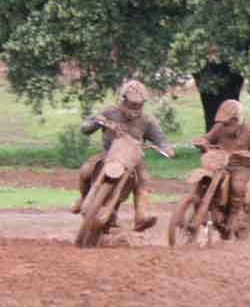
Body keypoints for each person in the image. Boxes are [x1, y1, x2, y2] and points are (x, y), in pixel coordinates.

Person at [70, 80, 175, 231]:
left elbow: (161, 140)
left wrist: (167, 149)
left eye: (138, 105)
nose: (135, 108)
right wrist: (96, 122)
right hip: (108, 155)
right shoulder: (109, 112)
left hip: (133, 160)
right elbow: (86, 128)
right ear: (123, 99)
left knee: (143, 181)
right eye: (132, 104)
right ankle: (83, 198)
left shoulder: (147, 121)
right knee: (86, 170)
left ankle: (141, 216)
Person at [191, 100, 250, 229]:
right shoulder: (219, 128)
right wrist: (202, 142)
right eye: (225, 122)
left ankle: (234, 214)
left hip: (239, 167)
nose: (226, 125)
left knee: (237, 186)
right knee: (202, 178)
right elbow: (207, 138)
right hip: (218, 164)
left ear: (237, 118)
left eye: (230, 122)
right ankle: (195, 204)